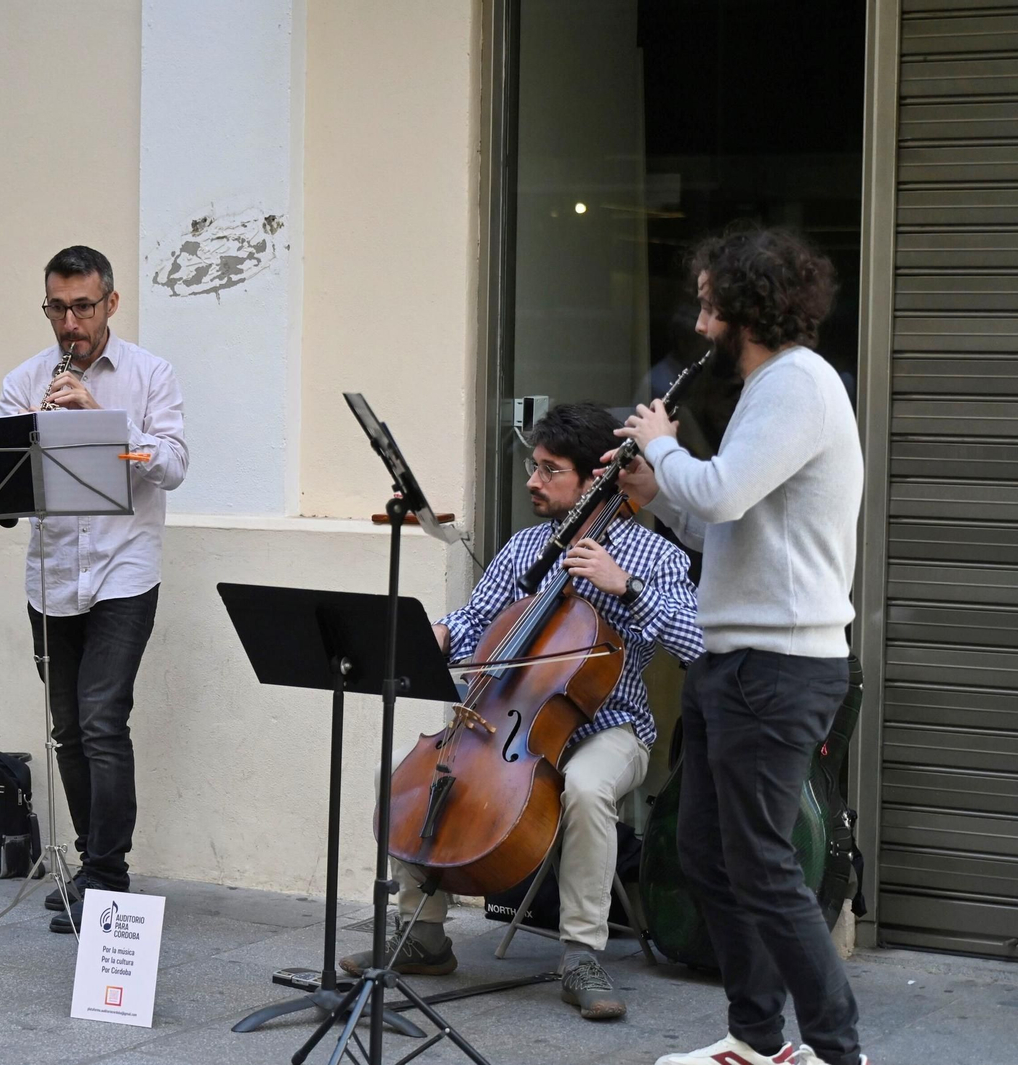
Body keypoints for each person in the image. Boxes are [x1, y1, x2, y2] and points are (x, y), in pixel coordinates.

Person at [340, 402, 704, 1021]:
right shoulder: (526, 549)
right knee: (401, 777)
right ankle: (423, 933)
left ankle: (580, 953)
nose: (532, 481)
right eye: (533, 467)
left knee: (587, 790)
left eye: (549, 470)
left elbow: (696, 643)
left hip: (609, 727)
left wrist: (625, 587)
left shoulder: (654, 556)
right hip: (509, 722)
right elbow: (479, 619)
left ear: (595, 478)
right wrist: (442, 632)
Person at [611, 227, 868, 1065]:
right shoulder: (771, 390)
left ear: (745, 304)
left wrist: (659, 444)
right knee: (706, 853)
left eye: (709, 300)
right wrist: (657, 493)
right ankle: (758, 1038)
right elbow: (728, 522)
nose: (700, 315)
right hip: (737, 657)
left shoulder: (797, 383)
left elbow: (720, 495)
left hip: (780, 663)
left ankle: (835, 1049)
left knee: (760, 862)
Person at [0, 245, 188, 934]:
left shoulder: (150, 374)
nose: (70, 322)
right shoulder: (23, 380)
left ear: (111, 302)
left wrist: (104, 415)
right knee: (69, 730)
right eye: (58, 307)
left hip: (124, 573)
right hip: (49, 579)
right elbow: (6, 496)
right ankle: (88, 864)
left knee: (104, 720)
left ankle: (109, 875)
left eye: (83, 306)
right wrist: (10, 467)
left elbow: (173, 464)